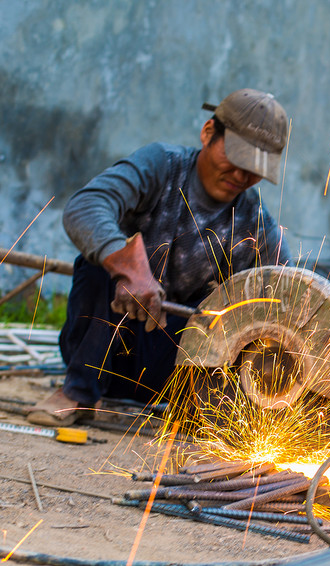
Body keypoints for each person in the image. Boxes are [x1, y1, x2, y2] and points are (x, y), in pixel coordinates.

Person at [27, 88, 290, 426]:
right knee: (95, 266)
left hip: (173, 374)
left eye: (253, 169)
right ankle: (76, 393)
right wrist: (123, 262)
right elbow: (85, 205)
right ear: (208, 132)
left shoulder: (254, 223)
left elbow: (288, 296)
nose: (241, 175)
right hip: (101, 351)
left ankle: (197, 411)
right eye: (236, 158)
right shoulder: (161, 166)